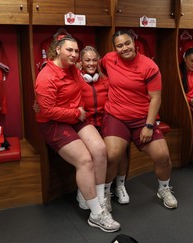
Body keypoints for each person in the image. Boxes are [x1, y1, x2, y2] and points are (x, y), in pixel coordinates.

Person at [34, 35, 120, 233]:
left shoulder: (72, 69)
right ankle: (96, 215)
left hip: (75, 118)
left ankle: (97, 200)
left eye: (75, 51)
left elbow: (79, 91)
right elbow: (47, 111)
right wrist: (75, 112)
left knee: (100, 150)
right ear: (57, 50)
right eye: (69, 50)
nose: (74, 55)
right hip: (53, 123)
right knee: (85, 160)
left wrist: (76, 111)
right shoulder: (46, 76)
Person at [100, 29, 178, 211]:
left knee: (162, 156)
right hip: (116, 116)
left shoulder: (149, 66)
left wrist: (149, 126)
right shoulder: (109, 59)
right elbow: (101, 69)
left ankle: (164, 189)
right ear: (114, 48)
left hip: (142, 118)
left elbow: (156, 98)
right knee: (112, 155)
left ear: (134, 42)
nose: (124, 48)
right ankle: (105, 193)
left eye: (127, 43)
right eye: (119, 45)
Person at [76, 45, 130, 206]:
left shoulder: (106, 80)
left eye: (94, 60)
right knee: (90, 154)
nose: (91, 63)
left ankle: (120, 186)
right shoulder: (76, 79)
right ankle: (85, 189)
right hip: (85, 125)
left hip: (105, 122)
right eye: (87, 60)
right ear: (81, 62)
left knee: (120, 148)